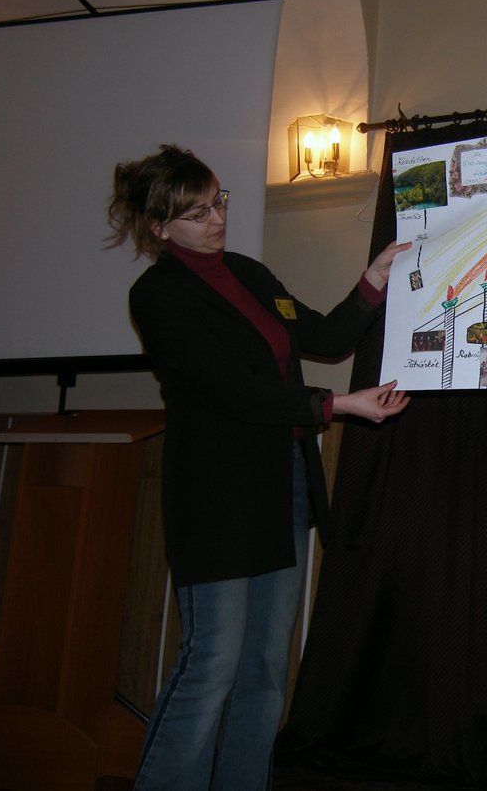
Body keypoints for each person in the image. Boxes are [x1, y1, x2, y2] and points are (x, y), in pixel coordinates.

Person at [107, 144, 411, 790]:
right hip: (217, 498)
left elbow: (325, 336)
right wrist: (336, 405)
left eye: (217, 200)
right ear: (160, 228)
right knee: (211, 663)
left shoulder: (248, 273)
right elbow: (231, 390)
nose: (217, 219)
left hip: (284, 484)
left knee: (266, 669)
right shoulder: (157, 295)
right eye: (196, 213)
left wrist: (375, 278)